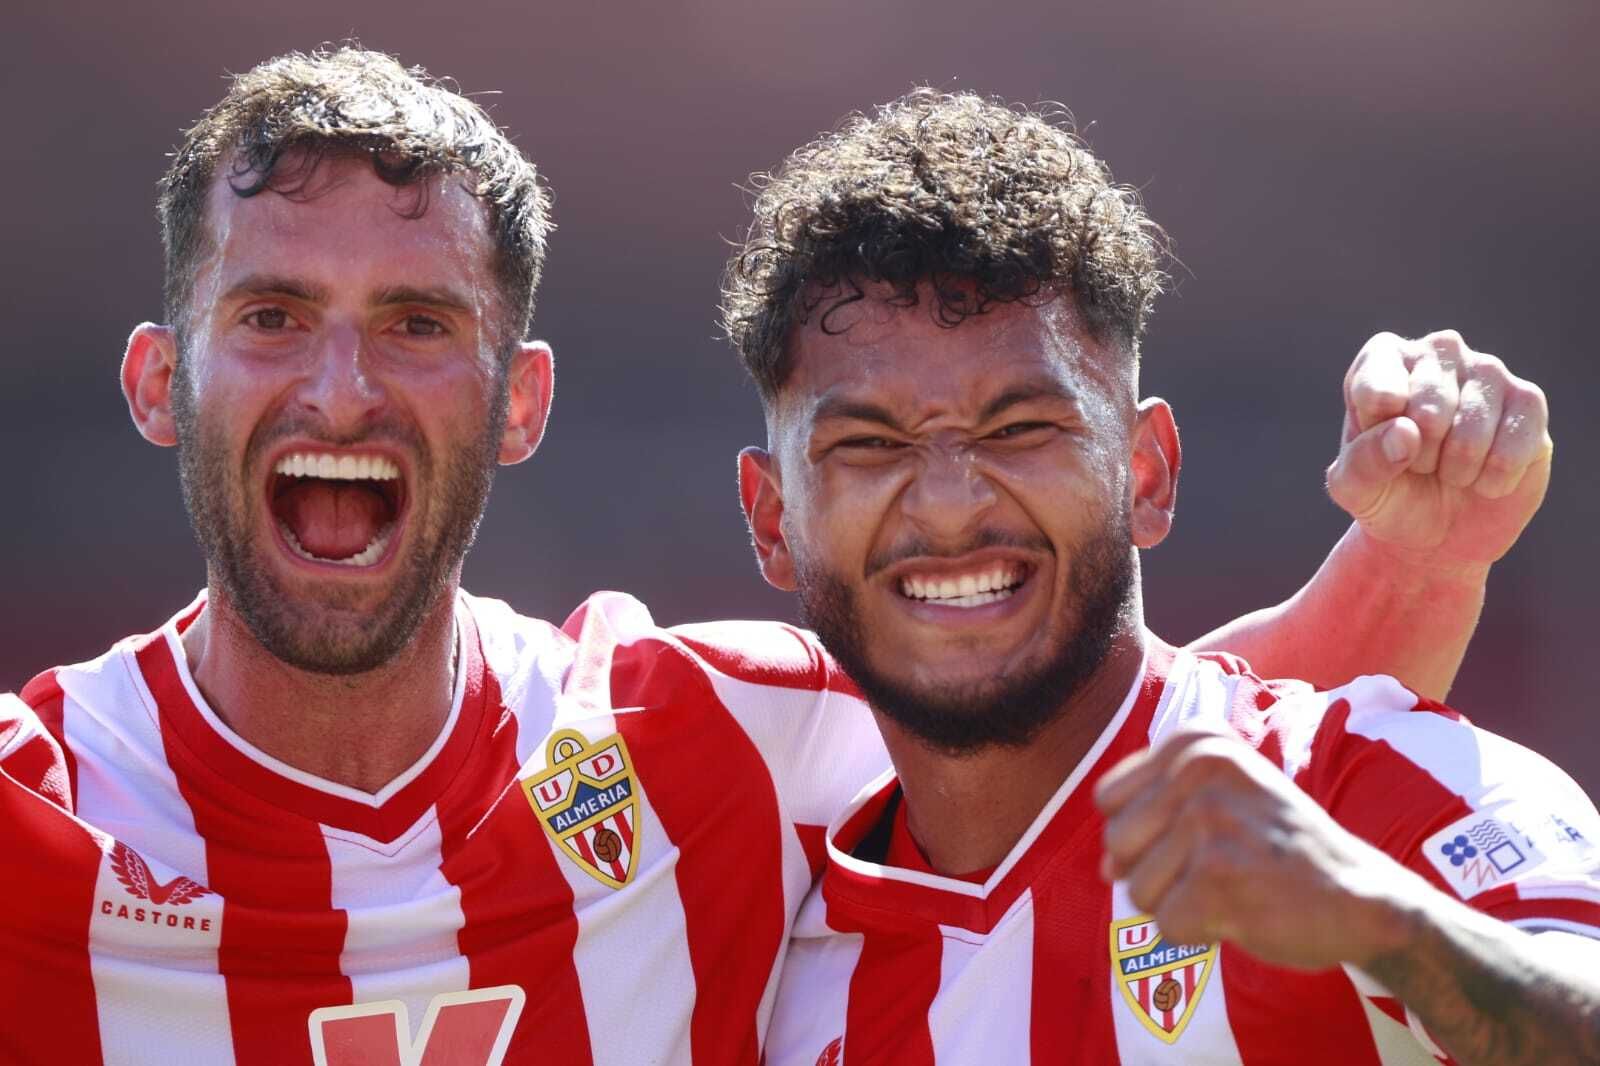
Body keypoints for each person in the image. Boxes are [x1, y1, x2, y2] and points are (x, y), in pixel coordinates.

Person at [0, 50, 1552, 1066]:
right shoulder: (32, 805)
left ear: (519, 398)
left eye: (419, 326)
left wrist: (1418, 560)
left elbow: (1101, 732)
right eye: (271, 317)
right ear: (158, 380)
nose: (342, 391)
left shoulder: (697, 740)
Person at [722, 90, 1594, 1065]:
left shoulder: (1353, 792)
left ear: (1147, 473)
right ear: (774, 522)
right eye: (870, 444)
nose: (951, 504)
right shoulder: (763, 975)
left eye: (1019, 429)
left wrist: (1390, 925)